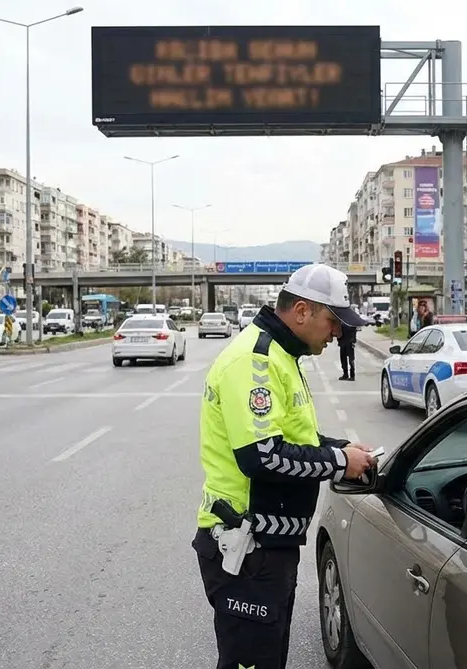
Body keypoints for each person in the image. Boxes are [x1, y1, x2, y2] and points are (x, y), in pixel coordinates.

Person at [193, 263, 376, 669]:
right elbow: (261, 456)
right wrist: (338, 462)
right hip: (245, 545)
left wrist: (340, 448)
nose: (338, 333)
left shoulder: (282, 355)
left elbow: (293, 440)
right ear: (302, 311)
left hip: (269, 544)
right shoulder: (255, 360)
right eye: (333, 321)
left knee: (268, 658)